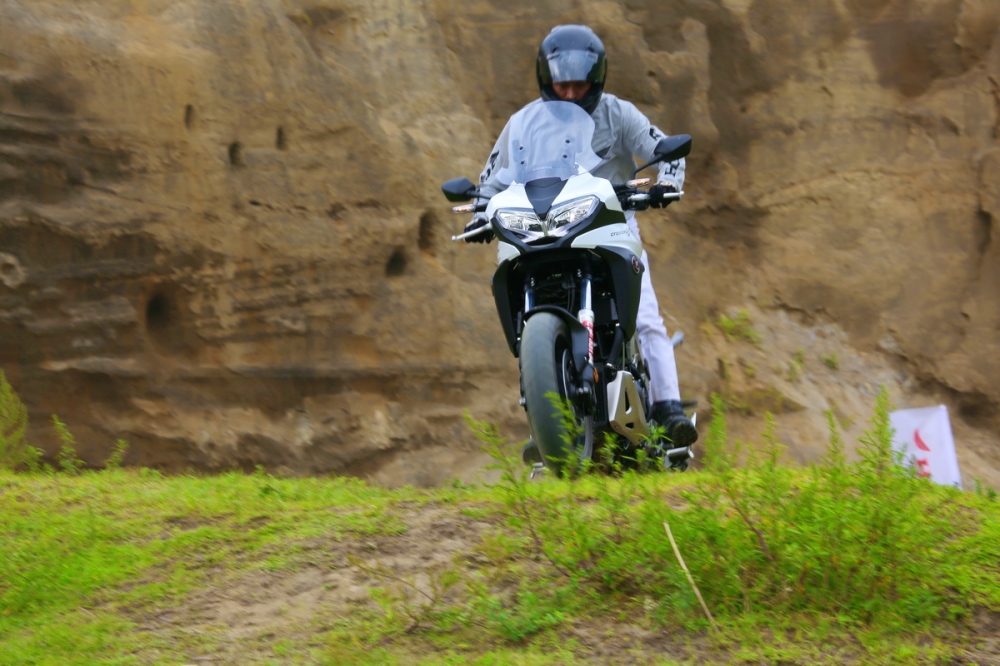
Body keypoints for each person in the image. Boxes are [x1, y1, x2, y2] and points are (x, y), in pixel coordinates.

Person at [465, 24, 698, 455]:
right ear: (545, 78)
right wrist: (481, 210)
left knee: (646, 318)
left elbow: (661, 145)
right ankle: (549, 415)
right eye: (562, 83)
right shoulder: (522, 125)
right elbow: (490, 177)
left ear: (597, 78)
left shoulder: (618, 113)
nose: (570, 93)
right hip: (545, 225)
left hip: (611, 221)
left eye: (579, 83)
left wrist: (666, 179)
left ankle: (668, 409)